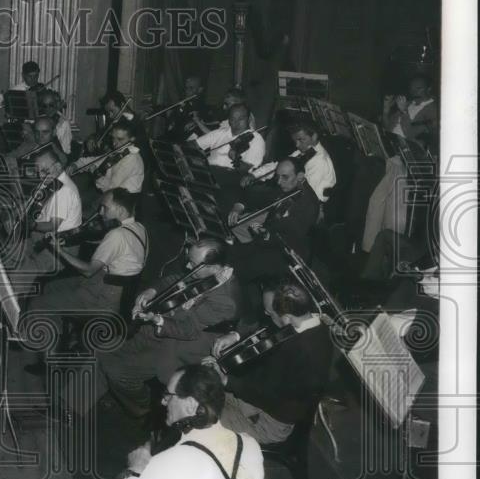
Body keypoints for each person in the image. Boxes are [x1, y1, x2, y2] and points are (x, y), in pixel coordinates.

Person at [68, 365, 266, 479]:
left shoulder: (169, 462)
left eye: (169, 396)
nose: (163, 401)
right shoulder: (249, 444)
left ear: (190, 405)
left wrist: (135, 470)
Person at [96, 237, 242, 417]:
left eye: (193, 263)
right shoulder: (206, 272)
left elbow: (189, 329)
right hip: (165, 327)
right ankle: (76, 402)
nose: (188, 267)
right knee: (105, 349)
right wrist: (152, 291)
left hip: (178, 346)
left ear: (213, 267)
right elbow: (174, 280)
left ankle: (144, 407)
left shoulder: (225, 300)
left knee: (119, 372)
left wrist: (157, 319)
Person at [24, 188, 147, 372]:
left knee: (38, 303)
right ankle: (58, 344)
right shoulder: (139, 228)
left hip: (103, 296)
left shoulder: (116, 235)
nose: (100, 212)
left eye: (105, 208)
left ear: (120, 211)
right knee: (50, 288)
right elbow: (115, 251)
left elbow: (89, 271)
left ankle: (49, 363)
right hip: (113, 288)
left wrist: (59, 251)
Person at [203, 281, 334, 444]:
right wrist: (235, 337)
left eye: (271, 314)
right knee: (201, 389)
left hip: (270, 421)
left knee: (201, 420)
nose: (267, 316)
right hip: (260, 401)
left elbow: (267, 393)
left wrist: (226, 380)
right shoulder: (313, 323)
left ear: (287, 317)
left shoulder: (299, 349)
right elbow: (264, 326)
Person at [5, 145, 83, 297]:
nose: (41, 176)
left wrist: (30, 224)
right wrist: (14, 212)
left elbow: (52, 225)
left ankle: (14, 311)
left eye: (45, 171)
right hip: (42, 238)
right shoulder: (51, 181)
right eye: (38, 171)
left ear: (58, 166)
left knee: (21, 273)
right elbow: (32, 203)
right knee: (6, 255)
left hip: (60, 246)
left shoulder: (65, 191)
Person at [228, 156, 320, 273]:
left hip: (286, 253)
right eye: (278, 176)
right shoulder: (288, 185)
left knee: (238, 265)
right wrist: (239, 206)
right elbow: (257, 194)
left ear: (300, 176)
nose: (279, 182)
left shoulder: (308, 204)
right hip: (268, 233)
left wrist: (265, 234)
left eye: (284, 177)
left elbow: (291, 238)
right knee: (231, 243)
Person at [245, 118, 336, 203]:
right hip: (289, 195)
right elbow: (278, 166)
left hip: (303, 205)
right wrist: (254, 175)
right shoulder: (304, 151)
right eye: (295, 141)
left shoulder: (319, 161)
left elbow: (307, 195)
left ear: (314, 136)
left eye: (301, 140)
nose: (297, 145)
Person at [71, 119, 144, 195]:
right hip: (108, 191)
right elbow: (96, 160)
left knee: (78, 197)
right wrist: (76, 165)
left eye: (120, 139)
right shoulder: (119, 151)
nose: (115, 143)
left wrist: (96, 175)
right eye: (113, 138)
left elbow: (112, 187)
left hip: (123, 199)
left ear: (132, 139)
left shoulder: (131, 159)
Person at [194, 104, 265, 174]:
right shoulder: (220, 133)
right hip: (207, 172)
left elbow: (248, 171)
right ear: (229, 120)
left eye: (241, 119)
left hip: (229, 178)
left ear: (249, 119)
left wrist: (235, 159)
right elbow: (194, 144)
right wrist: (197, 156)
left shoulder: (256, 139)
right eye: (233, 119)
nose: (236, 123)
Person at [37, 89, 72, 157]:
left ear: (57, 104)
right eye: (45, 106)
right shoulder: (40, 119)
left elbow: (66, 150)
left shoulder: (64, 123)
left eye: (51, 105)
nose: (48, 109)